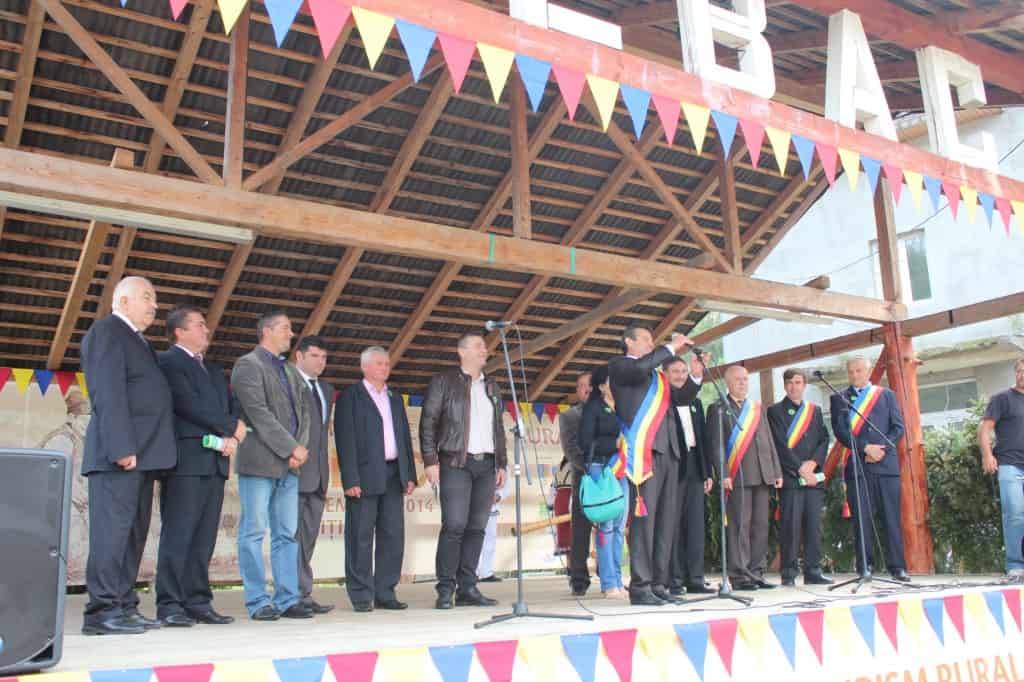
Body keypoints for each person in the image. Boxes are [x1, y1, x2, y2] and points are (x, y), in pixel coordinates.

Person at [79, 276, 176, 635]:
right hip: (119, 456)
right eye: (147, 297)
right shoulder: (107, 332)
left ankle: (124, 605)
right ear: (122, 301)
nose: (154, 306)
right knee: (112, 535)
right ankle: (101, 611)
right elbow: (107, 393)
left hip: (143, 457)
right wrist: (121, 447)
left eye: (155, 299)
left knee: (133, 535)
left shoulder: (139, 341)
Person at [155, 304, 244, 626]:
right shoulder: (168, 362)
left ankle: (198, 600)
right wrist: (229, 426)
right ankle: (170, 604)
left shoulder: (214, 370)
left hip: (215, 460)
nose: (206, 330)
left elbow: (231, 406)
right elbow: (186, 403)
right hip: (187, 461)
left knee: (204, 536)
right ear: (179, 331)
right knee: (179, 533)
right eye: (199, 325)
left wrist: (232, 434)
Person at [608, 325, 698, 606]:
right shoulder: (621, 366)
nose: (650, 343)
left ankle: (659, 583)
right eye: (645, 339)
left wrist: (696, 374)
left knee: (665, 522)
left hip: (669, 453)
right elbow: (639, 368)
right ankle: (640, 586)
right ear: (628, 342)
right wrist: (670, 348)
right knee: (644, 524)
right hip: (644, 454)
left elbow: (682, 398)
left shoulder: (657, 377)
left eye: (652, 340)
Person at [231, 310, 312, 620]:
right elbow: (258, 414)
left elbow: (304, 414)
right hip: (259, 462)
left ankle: (287, 599)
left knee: (286, 534)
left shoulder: (290, 370)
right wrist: (291, 447)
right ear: (266, 331)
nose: (291, 334)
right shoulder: (247, 365)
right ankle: (257, 600)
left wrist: (298, 450)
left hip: (290, 465)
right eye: (285, 328)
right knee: (253, 532)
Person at [420, 332, 508, 610]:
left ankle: (468, 586)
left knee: (477, 527)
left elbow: (499, 428)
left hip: (487, 465)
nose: (484, 350)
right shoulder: (444, 381)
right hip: (455, 462)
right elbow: (428, 422)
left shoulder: (492, 386)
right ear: (462, 351)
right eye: (478, 346)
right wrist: (430, 460)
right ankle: (446, 588)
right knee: (455, 525)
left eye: (485, 346)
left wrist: (502, 463)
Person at [336, 347, 418, 612]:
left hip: (394, 473)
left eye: (387, 363)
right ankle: (361, 595)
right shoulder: (351, 396)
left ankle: (385, 592)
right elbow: (345, 440)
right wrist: (350, 479)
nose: (385, 368)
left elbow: (404, 438)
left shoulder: (394, 397)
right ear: (365, 367)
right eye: (379, 363)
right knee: (360, 535)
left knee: (392, 535)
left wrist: (409, 474)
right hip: (363, 475)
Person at [829, 357, 909, 582]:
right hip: (858, 466)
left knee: (891, 518)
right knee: (862, 520)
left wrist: (880, 448)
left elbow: (898, 428)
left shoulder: (886, 395)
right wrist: (865, 447)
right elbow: (840, 431)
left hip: (886, 466)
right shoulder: (839, 398)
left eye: (859, 370)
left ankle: (897, 567)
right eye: (851, 371)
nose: (855, 375)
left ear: (869, 371)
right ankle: (865, 567)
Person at [707, 365, 783, 591]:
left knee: (760, 526)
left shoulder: (756, 408)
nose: (742, 383)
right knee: (740, 526)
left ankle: (757, 572)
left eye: (745, 379)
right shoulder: (718, 408)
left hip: (762, 472)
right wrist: (723, 473)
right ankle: (739, 576)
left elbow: (769, 440)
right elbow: (716, 445)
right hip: (738, 474)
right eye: (738, 379)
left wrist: (776, 471)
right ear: (728, 382)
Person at [766, 368, 833, 587]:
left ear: (804, 385)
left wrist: (813, 463)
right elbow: (779, 445)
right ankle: (789, 573)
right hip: (791, 479)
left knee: (814, 527)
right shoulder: (775, 411)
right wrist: (799, 468)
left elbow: (824, 439)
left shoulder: (815, 411)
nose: (793, 387)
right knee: (790, 527)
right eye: (789, 383)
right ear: (784, 386)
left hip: (813, 478)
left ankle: (813, 571)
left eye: (797, 382)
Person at [664, 355, 715, 596]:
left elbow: (703, 438)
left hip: (695, 464)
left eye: (684, 371)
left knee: (695, 525)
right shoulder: (664, 400)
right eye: (675, 371)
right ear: (665, 374)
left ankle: (695, 578)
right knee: (673, 526)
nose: (680, 376)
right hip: (674, 466)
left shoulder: (695, 401)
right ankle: (674, 579)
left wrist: (707, 471)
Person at [292, 336, 335, 614]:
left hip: (318, 474)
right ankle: (291, 594)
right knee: (291, 536)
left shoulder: (326, 389)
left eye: (324, 357)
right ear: (299, 356)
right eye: (315, 356)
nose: (321, 362)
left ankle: (303, 593)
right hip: (295, 472)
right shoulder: (288, 384)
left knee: (308, 537)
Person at [577, 366, 628, 599]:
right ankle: (608, 583)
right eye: (611, 380)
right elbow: (585, 441)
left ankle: (618, 579)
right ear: (601, 386)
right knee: (606, 526)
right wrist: (613, 444)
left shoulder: (624, 406)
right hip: (601, 467)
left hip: (622, 469)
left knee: (619, 527)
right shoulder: (593, 407)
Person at [38, 386, 91, 583]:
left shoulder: (86, 438)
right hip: (65, 503)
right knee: (68, 547)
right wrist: (77, 495)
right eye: (84, 415)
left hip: (84, 505)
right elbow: (54, 475)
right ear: (73, 416)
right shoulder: (62, 438)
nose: (88, 420)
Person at [978, 358, 1024, 580]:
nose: (1022, 375)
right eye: (1020, 371)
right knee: (1015, 514)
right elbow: (985, 429)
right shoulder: (1002, 399)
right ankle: (1015, 565)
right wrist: (987, 455)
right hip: (1010, 464)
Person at [558, 371, 593, 596]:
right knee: (580, 530)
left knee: (614, 529)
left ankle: (612, 577)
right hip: (584, 477)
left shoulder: (613, 410)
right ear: (577, 391)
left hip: (612, 476)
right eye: (581, 385)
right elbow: (570, 449)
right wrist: (592, 469)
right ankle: (579, 579)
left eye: (590, 385)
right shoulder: (569, 416)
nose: (587, 389)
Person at [477, 464, 512, 583]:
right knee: (472, 540)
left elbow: (506, 485)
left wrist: (498, 496)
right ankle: (471, 572)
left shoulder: (502, 464)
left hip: (491, 507)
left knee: (489, 541)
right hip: (472, 506)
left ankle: (486, 572)